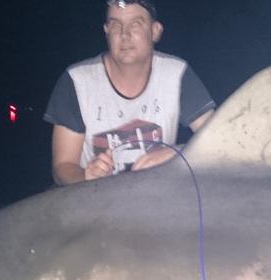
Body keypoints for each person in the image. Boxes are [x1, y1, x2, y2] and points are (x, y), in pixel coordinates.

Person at [44, 0, 215, 184]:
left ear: (155, 31)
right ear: (106, 31)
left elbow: (221, 140)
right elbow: (62, 166)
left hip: (157, 197)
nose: (124, 35)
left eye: (136, 24)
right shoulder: (76, 81)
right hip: (92, 202)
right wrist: (86, 176)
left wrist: (177, 153)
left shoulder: (178, 74)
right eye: (116, 25)